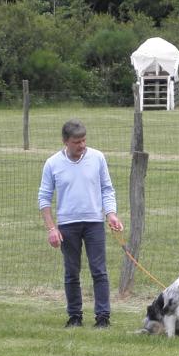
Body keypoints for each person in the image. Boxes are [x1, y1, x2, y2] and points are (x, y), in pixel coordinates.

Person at [39, 119, 123, 328]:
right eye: (77, 141)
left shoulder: (97, 158)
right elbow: (44, 198)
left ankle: (103, 317)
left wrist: (111, 214)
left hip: (94, 222)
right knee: (71, 272)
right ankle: (75, 316)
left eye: (84, 140)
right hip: (67, 225)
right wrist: (52, 228)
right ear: (65, 141)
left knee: (99, 270)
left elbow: (107, 189)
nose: (82, 145)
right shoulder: (52, 163)